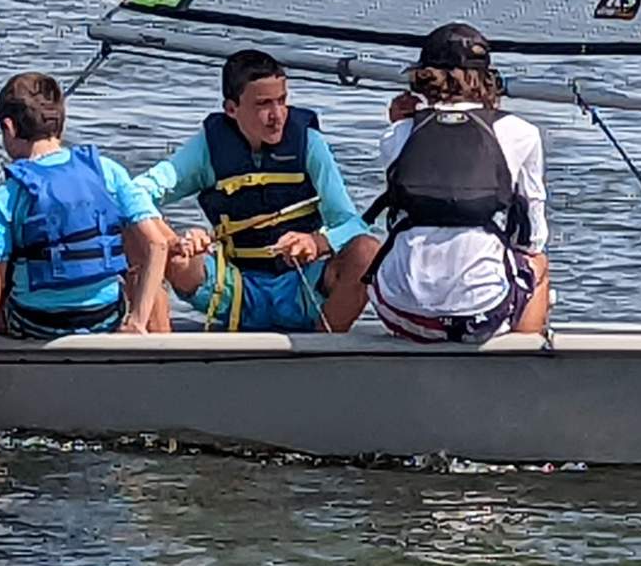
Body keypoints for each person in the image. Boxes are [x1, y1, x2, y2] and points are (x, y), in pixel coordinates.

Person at [0, 72, 171, 428]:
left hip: (36, 324)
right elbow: (159, 244)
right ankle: (157, 370)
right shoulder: (107, 170)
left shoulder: (7, 195)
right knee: (149, 285)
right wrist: (136, 322)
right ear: (60, 122)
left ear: (8, 127)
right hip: (105, 318)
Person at [135, 50, 379, 332]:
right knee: (162, 247)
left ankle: (325, 349)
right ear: (231, 109)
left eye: (282, 101)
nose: (277, 116)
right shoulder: (207, 149)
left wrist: (317, 242)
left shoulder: (309, 144)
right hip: (233, 289)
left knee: (367, 250)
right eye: (263, 104)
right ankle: (157, 345)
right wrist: (184, 240)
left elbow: (349, 223)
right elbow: (138, 193)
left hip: (302, 287)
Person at [364, 23, 550, 343]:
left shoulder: (396, 134)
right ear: (487, 77)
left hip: (399, 309)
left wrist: (400, 122)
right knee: (537, 263)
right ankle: (522, 366)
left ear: (422, 77)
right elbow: (532, 239)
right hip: (479, 314)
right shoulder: (523, 133)